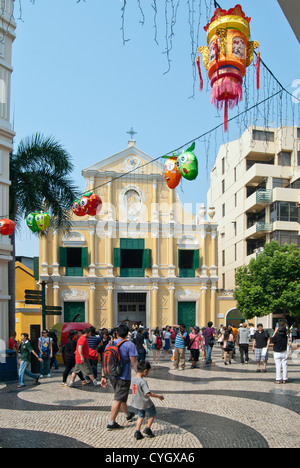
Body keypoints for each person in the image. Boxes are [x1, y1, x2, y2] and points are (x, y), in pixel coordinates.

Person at [101, 324, 138, 431]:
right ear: (127, 334)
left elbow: (105, 362)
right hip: (123, 376)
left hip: (112, 375)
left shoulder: (109, 345)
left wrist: (103, 376)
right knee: (118, 398)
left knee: (121, 396)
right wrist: (139, 374)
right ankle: (111, 422)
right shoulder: (129, 345)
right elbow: (134, 362)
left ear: (116, 333)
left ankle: (127, 414)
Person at [131, 361, 164, 440]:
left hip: (137, 402)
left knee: (140, 416)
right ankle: (148, 428)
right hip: (145, 402)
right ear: (145, 370)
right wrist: (158, 396)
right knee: (152, 413)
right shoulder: (143, 382)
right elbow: (148, 393)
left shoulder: (133, 379)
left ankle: (137, 431)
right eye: (148, 372)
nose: (148, 373)